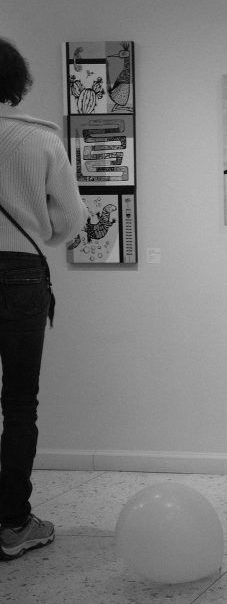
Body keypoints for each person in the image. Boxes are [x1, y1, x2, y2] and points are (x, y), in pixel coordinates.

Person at [0, 37, 87, 560]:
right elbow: (71, 218)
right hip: (21, 274)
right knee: (19, 404)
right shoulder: (38, 139)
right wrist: (43, 236)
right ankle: (13, 523)